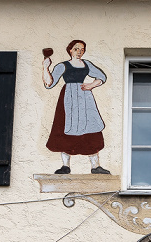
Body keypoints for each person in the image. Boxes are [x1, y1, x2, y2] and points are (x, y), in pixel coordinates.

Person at [43, 40, 111, 174]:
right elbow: (49, 84)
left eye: (82, 49)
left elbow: (101, 76)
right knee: (66, 129)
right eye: (76, 49)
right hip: (68, 98)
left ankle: (95, 166)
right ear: (70, 50)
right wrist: (45, 67)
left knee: (90, 128)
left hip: (85, 99)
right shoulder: (63, 66)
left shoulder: (87, 64)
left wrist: (91, 85)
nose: (79, 52)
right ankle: (65, 166)